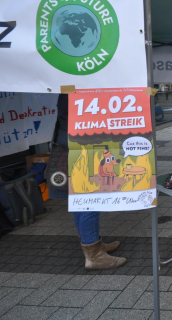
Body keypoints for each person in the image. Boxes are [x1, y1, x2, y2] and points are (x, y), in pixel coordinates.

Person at [47, 94, 126, 270]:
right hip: (82, 145)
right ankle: (94, 255)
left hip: (72, 143)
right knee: (90, 199)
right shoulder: (81, 85)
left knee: (80, 199)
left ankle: (93, 244)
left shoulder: (70, 82)